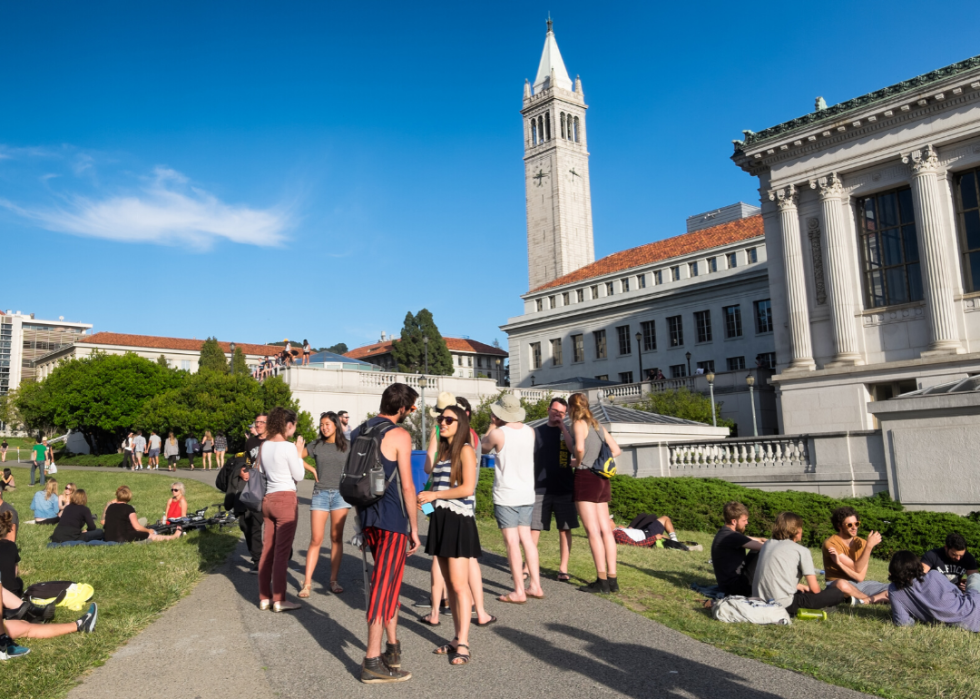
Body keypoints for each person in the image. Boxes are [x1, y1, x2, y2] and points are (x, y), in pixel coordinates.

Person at [353, 383, 420, 684]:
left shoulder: (360, 430)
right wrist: (415, 528)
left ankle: (392, 648)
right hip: (392, 520)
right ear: (402, 408)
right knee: (383, 587)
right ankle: (371, 660)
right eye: (411, 407)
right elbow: (408, 486)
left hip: (367, 516)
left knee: (387, 583)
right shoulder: (399, 435)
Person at [418, 405, 480, 666]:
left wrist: (434, 496)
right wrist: (427, 505)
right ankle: (456, 637)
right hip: (441, 519)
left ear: (461, 423)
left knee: (458, 585)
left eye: (448, 419)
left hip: (459, 520)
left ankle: (464, 643)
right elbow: (430, 478)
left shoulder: (466, 450)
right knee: (450, 587)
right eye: (440, 419)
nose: (442, 422)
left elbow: (467, 488)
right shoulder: (444, 452)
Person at [481, 393, 544, 603]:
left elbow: (482, 447)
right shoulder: (530, 431)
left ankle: (518, 590)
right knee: (527, 540)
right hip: (527, 492)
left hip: (506, 493)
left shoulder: (499, 433)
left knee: (511, 542)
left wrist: (491, 424)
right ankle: (535, 584)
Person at [566, 392, 622, 593]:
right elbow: (616, 450)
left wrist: (578, 462)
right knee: (606, 529)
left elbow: (579, 448)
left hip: (585, 478)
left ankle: (601, 580)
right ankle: (613, 578)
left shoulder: (579, 424)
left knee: (592, 531)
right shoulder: (598, 425)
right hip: (602, 479)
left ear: (571, 408)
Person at [256, 407, 305, 612]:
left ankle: (264, 597)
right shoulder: (288, 447)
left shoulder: (264, 446)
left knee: (267, 550)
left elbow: (260, 470)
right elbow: (300, 475)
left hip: (268, 499)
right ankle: (279, 599)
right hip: (285, 499)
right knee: (281, 553)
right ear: (289, 425)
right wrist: (299, 452)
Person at [753, 511, 847, 616]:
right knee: (837, 593)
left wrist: (799, 586)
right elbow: (815, 590)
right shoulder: (801, 551)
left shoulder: (767, 544)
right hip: (784, 604)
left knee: (803, 592)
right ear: (796, 530)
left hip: (760, 600)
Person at [298, 412, 351, 598]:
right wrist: (311, 468)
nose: (324, 427)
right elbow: (296, 456)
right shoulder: (316, 445)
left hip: (341, 496)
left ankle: (333, 580)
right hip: (320, 494)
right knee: (316, 539)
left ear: (336, 425)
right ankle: (307, 583)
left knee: (336, 538)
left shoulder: (347, 446)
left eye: (327, 424)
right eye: (321, 424)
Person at [531, 397, 578, 582]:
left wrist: (563, 428)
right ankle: (529, 566)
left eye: (561, 413)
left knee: (565, 529)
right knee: (534, 529)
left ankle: (563, 568)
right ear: (548, 409)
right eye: (554, 411)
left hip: (564, 487)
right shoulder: (536, 432)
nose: (557, 415)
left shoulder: (568, 432)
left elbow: (573, 450)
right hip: (539, 488)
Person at [889, 550, 980, 630]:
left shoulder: (894, 591)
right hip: (973, 608)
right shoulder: (933, 575)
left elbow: (903, 623)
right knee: (974, 576)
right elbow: (957, 592)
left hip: (963, 624)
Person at [821, 507, 889, 604]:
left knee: (897, 588)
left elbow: (860, 577)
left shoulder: (863, 543)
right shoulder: (831, 543)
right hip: (837, 584)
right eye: (849, 525)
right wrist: (869, 547)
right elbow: (856, 568)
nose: (854, 527)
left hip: (860, 585)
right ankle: (871, 599)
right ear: (839, 526)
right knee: (842, 584)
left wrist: (867, 546)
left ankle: (861, 600)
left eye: (856, 523)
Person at [711, 501, 766, 596]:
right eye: (744, 520)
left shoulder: (725, 532)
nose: (747, 523)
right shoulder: (733, 537)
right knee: (763, 551)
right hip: (735, 588)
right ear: (734, 521)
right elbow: (767, 547)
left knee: (758, 548)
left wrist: (763, 539)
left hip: (727, 585)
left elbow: (752, 539)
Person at [104, 486, 181, 543]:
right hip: (122, 538)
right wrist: (149, 530)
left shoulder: (110, 506)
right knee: (149, 535)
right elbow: (137, 527)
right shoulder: (129, 508)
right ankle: (173, 537)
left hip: (108, 537)